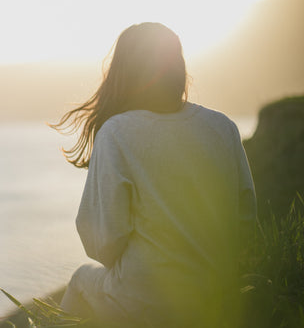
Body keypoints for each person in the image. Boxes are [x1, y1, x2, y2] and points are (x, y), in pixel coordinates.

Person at [50, 22, 256, 327]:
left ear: (123, 73)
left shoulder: (117, 132)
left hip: (148, 301)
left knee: (81, 280)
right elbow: (246, 220)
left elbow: (103, 243)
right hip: (218, 295)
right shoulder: (223, 127)